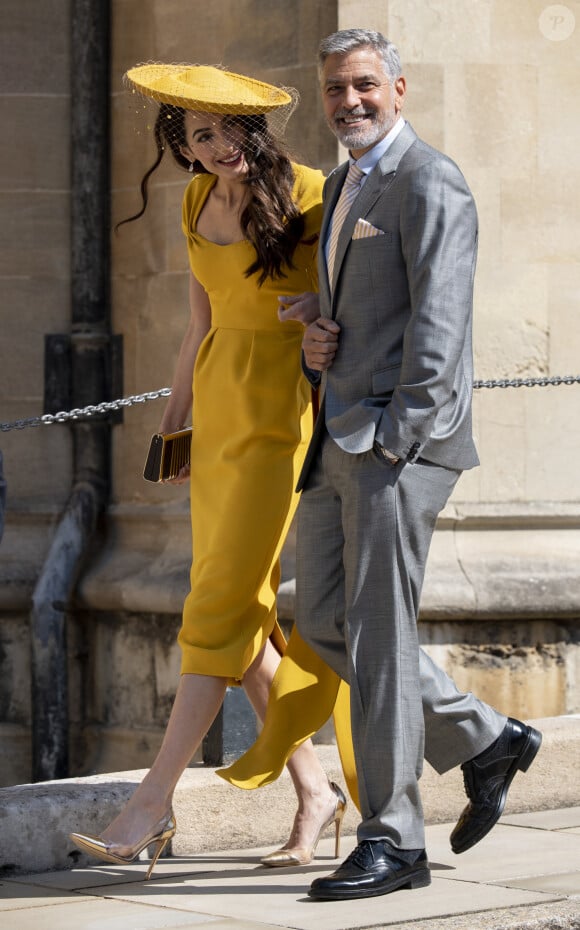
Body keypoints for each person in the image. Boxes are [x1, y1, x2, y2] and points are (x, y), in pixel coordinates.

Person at [222, 29, 542, 900]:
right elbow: (367, 305)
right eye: (334, 90)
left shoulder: (430, 179)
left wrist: (398, 439)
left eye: (364, 85)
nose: (348, 102)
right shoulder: (351, 184)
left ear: (399, 89)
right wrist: (319, 329)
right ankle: (484, 738)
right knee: (322, 619)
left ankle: (395, 839)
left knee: (375, 633)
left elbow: (440, 330)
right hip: (339, 436)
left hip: (395, 445)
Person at [69, 62, 351, 879]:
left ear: (254, 131)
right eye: (201, 135)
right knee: (247, 617)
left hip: (280, 415)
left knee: (220, 600)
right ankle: (314, 789)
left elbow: (360, 300)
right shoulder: (194, 201)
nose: (220, 146)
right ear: (183, 148)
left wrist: (318, 315)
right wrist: (173, 420)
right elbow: (200, 324)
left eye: (231, 130)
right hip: (218, 414)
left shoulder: (312, 192)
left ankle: (153, 800)